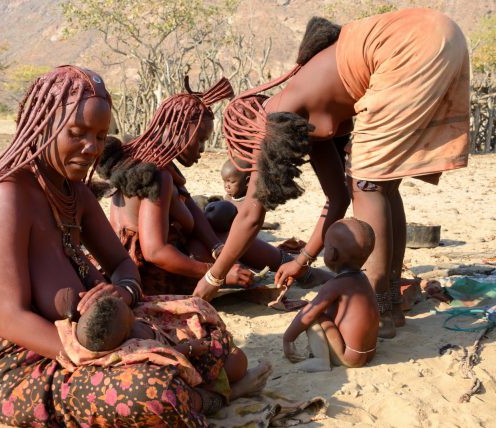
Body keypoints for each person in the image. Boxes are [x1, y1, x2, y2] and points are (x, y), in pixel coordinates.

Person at [0, 66, 267, 426]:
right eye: (77, 133)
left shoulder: (74, 191)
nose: (91, 148)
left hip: (99, 339)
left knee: (204, 323)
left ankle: (199, 390)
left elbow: (123, 264)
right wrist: (107, 354)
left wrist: (123, 293)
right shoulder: (6, 198)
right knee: (152, 391)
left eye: (101, 137)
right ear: (42, 125)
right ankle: (205, 397)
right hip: (22, 368)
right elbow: (12, 321)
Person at [195, 9, 469, 339]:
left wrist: (212, 279)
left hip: (407, 48)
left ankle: (379, 308)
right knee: (379, 185)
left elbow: (251, 215)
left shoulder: (274, 115)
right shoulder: (308, 114)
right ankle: (391, 306)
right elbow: (337, 199)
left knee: (367, 183)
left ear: (245, 132)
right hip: (441, 35)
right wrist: (303, 260)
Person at [98, 77, 312, 296]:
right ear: (177, 129)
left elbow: (190, 206)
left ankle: (294, 266)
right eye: (200, 139)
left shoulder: (154, 162)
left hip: (140, 266)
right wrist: (216, 273)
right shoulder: (157, 175)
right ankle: (300, 270)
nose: (201, 149)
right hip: (150, 276)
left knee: (221, 238)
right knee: (230, 239)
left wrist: (215, 248)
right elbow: (155, 252)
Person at [57, 290, 257, 395]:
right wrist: (189, 347)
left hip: (169, 340)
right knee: (237, 361)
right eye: (129, 314)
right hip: (184, 364)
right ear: (127, 333)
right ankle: (221, 393)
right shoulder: (138, 346)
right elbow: (168, 355)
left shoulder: (84, 339)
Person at [282, 218, 379, 371]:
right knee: (320, 311)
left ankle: (321, 360)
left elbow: (307, 315)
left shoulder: (335, 286)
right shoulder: (362, 279)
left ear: (332, 253)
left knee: (313, 315)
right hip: (368, 353)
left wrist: (288, 338)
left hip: (348, 357)